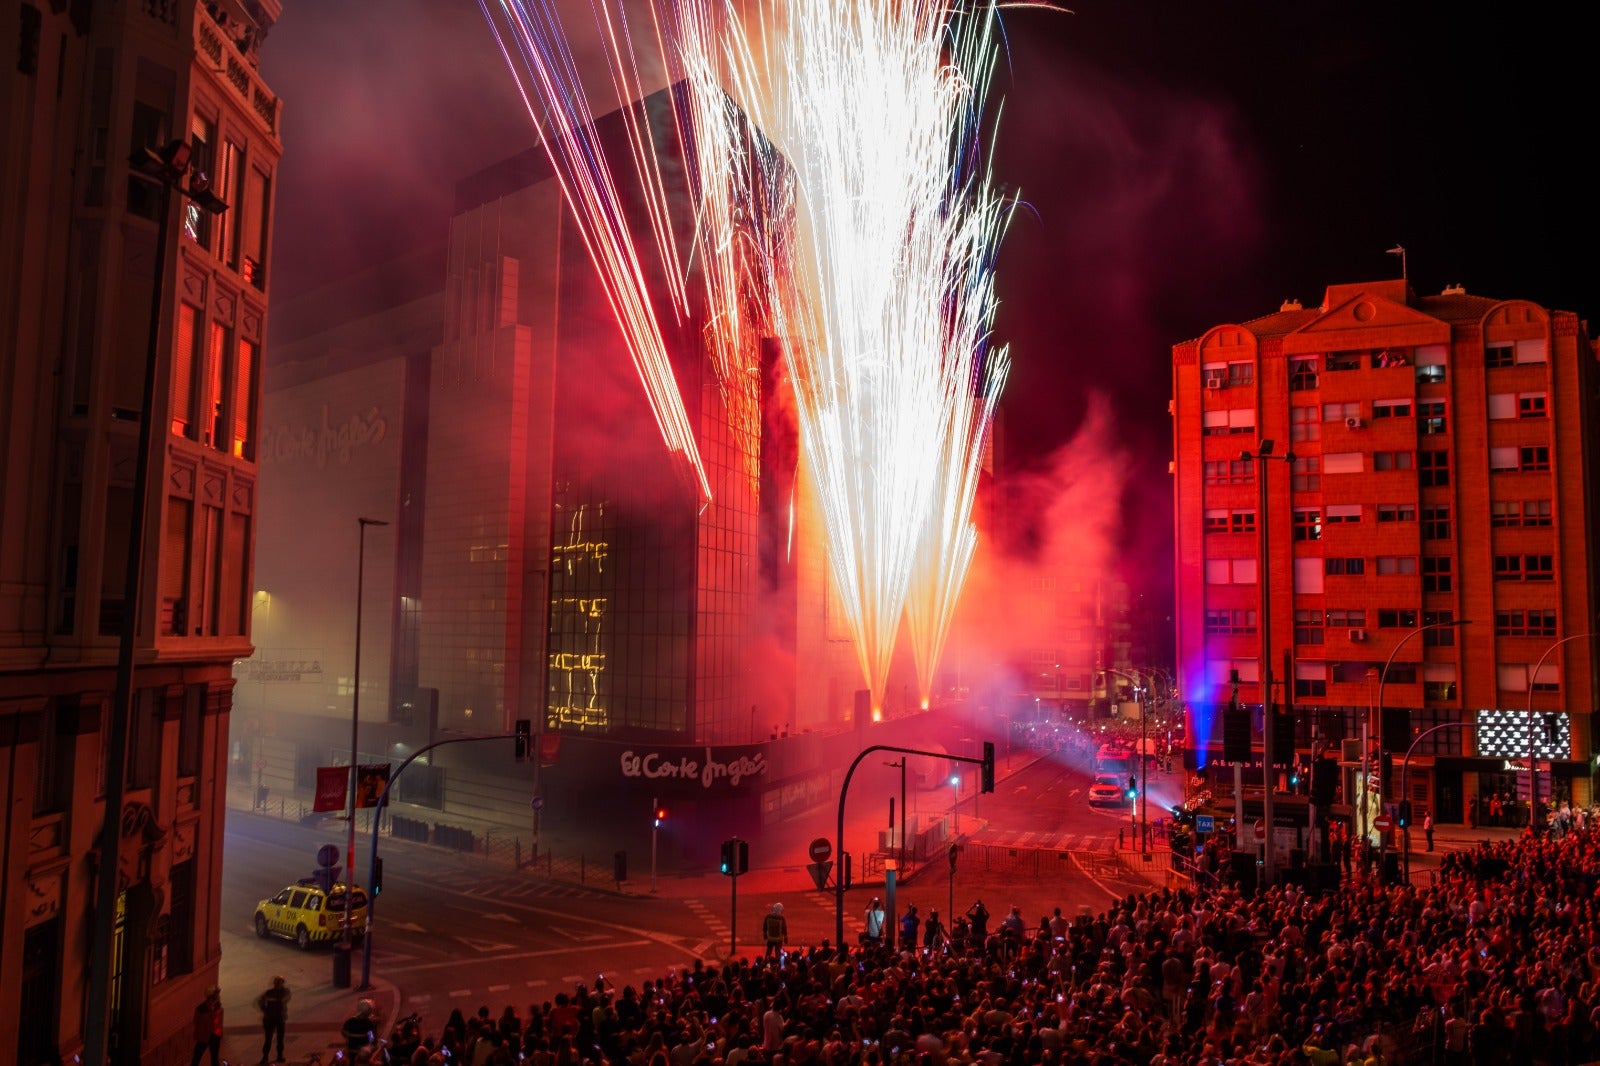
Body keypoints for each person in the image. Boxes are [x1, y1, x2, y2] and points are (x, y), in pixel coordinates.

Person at [255, 975, 291, 1064]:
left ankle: (279, 1055)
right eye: (277, 983)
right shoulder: (269, 993)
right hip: (270, 1019)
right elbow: (260, 1001)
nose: (278, 985)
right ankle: (265, 1057)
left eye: (280, 983)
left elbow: (285, 998)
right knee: (268, 1039)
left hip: (280, 1018)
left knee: (280, 1039)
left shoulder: (285, 992)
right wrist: (265, 1009)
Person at [191, 986, 224, 1066]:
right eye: (215, 996)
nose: (218, 997)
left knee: (214, 1058)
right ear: (210, 998)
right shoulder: (201, 1009)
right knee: (197, 1056)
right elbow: (196, 1021)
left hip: (215, 1035)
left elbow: (218, 1021)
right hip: (203, 1036)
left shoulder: (218, 1007)